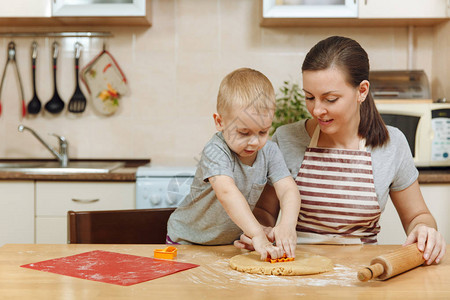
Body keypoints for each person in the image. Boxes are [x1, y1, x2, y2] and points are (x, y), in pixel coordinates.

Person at [234, 36, 446, 265]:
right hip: (294, 266)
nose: (317, 110)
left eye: (330, 99)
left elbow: (417, 216)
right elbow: (265, 211)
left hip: (361, 272)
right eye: (309, 97)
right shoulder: (286, 139)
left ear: (362, 91)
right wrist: (261, 230)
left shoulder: (392, 144)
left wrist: (425, 231)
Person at [167, 67, 301, 260]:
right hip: (186, 242)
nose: (255, 142)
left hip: (227, 245)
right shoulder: (216, 150)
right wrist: (257, 234)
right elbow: (227, 192)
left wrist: (287, 225)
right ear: (220, 122)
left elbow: (288, 189)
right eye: (244, 133)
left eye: (263, 132)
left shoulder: (270, 151)